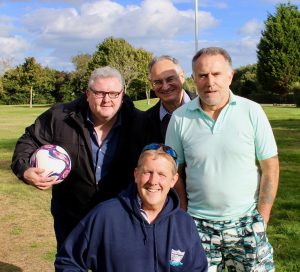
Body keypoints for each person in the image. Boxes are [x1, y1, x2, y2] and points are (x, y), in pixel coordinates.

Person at [165, 47, 280, 271]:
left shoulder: (252, 111)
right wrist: (184, 212)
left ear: (230, 76)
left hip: (246, 222)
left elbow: (270, 167)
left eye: (216, 74)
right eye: (202, 75)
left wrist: (262, 217)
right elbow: (172, 171)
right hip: (198, 225)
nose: (210, 82)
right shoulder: (180, 118)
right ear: (194, 79)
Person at [11, 66, 142, 251]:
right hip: (71, 218)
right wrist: (25, 170)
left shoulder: (138, 122)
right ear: (88, 93)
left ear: (122, 94)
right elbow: (29, 141)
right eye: (99, 93)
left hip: (118, 218)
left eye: (113, 93)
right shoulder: (61, 116)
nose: (107, 100)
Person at [55, 143, 208, 272]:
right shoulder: (105, 216)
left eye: (162, 174)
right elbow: (68, 261)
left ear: (173, 180)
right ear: (136, 175)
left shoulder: (184, 223)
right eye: (147, 172)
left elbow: (198, 268)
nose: (153, 181)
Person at [144, 55, 196, 143]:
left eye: (170, 79)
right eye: (158, 82)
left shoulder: (207, 108)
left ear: (182, 77)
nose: (165, 87)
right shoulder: (143, 122)